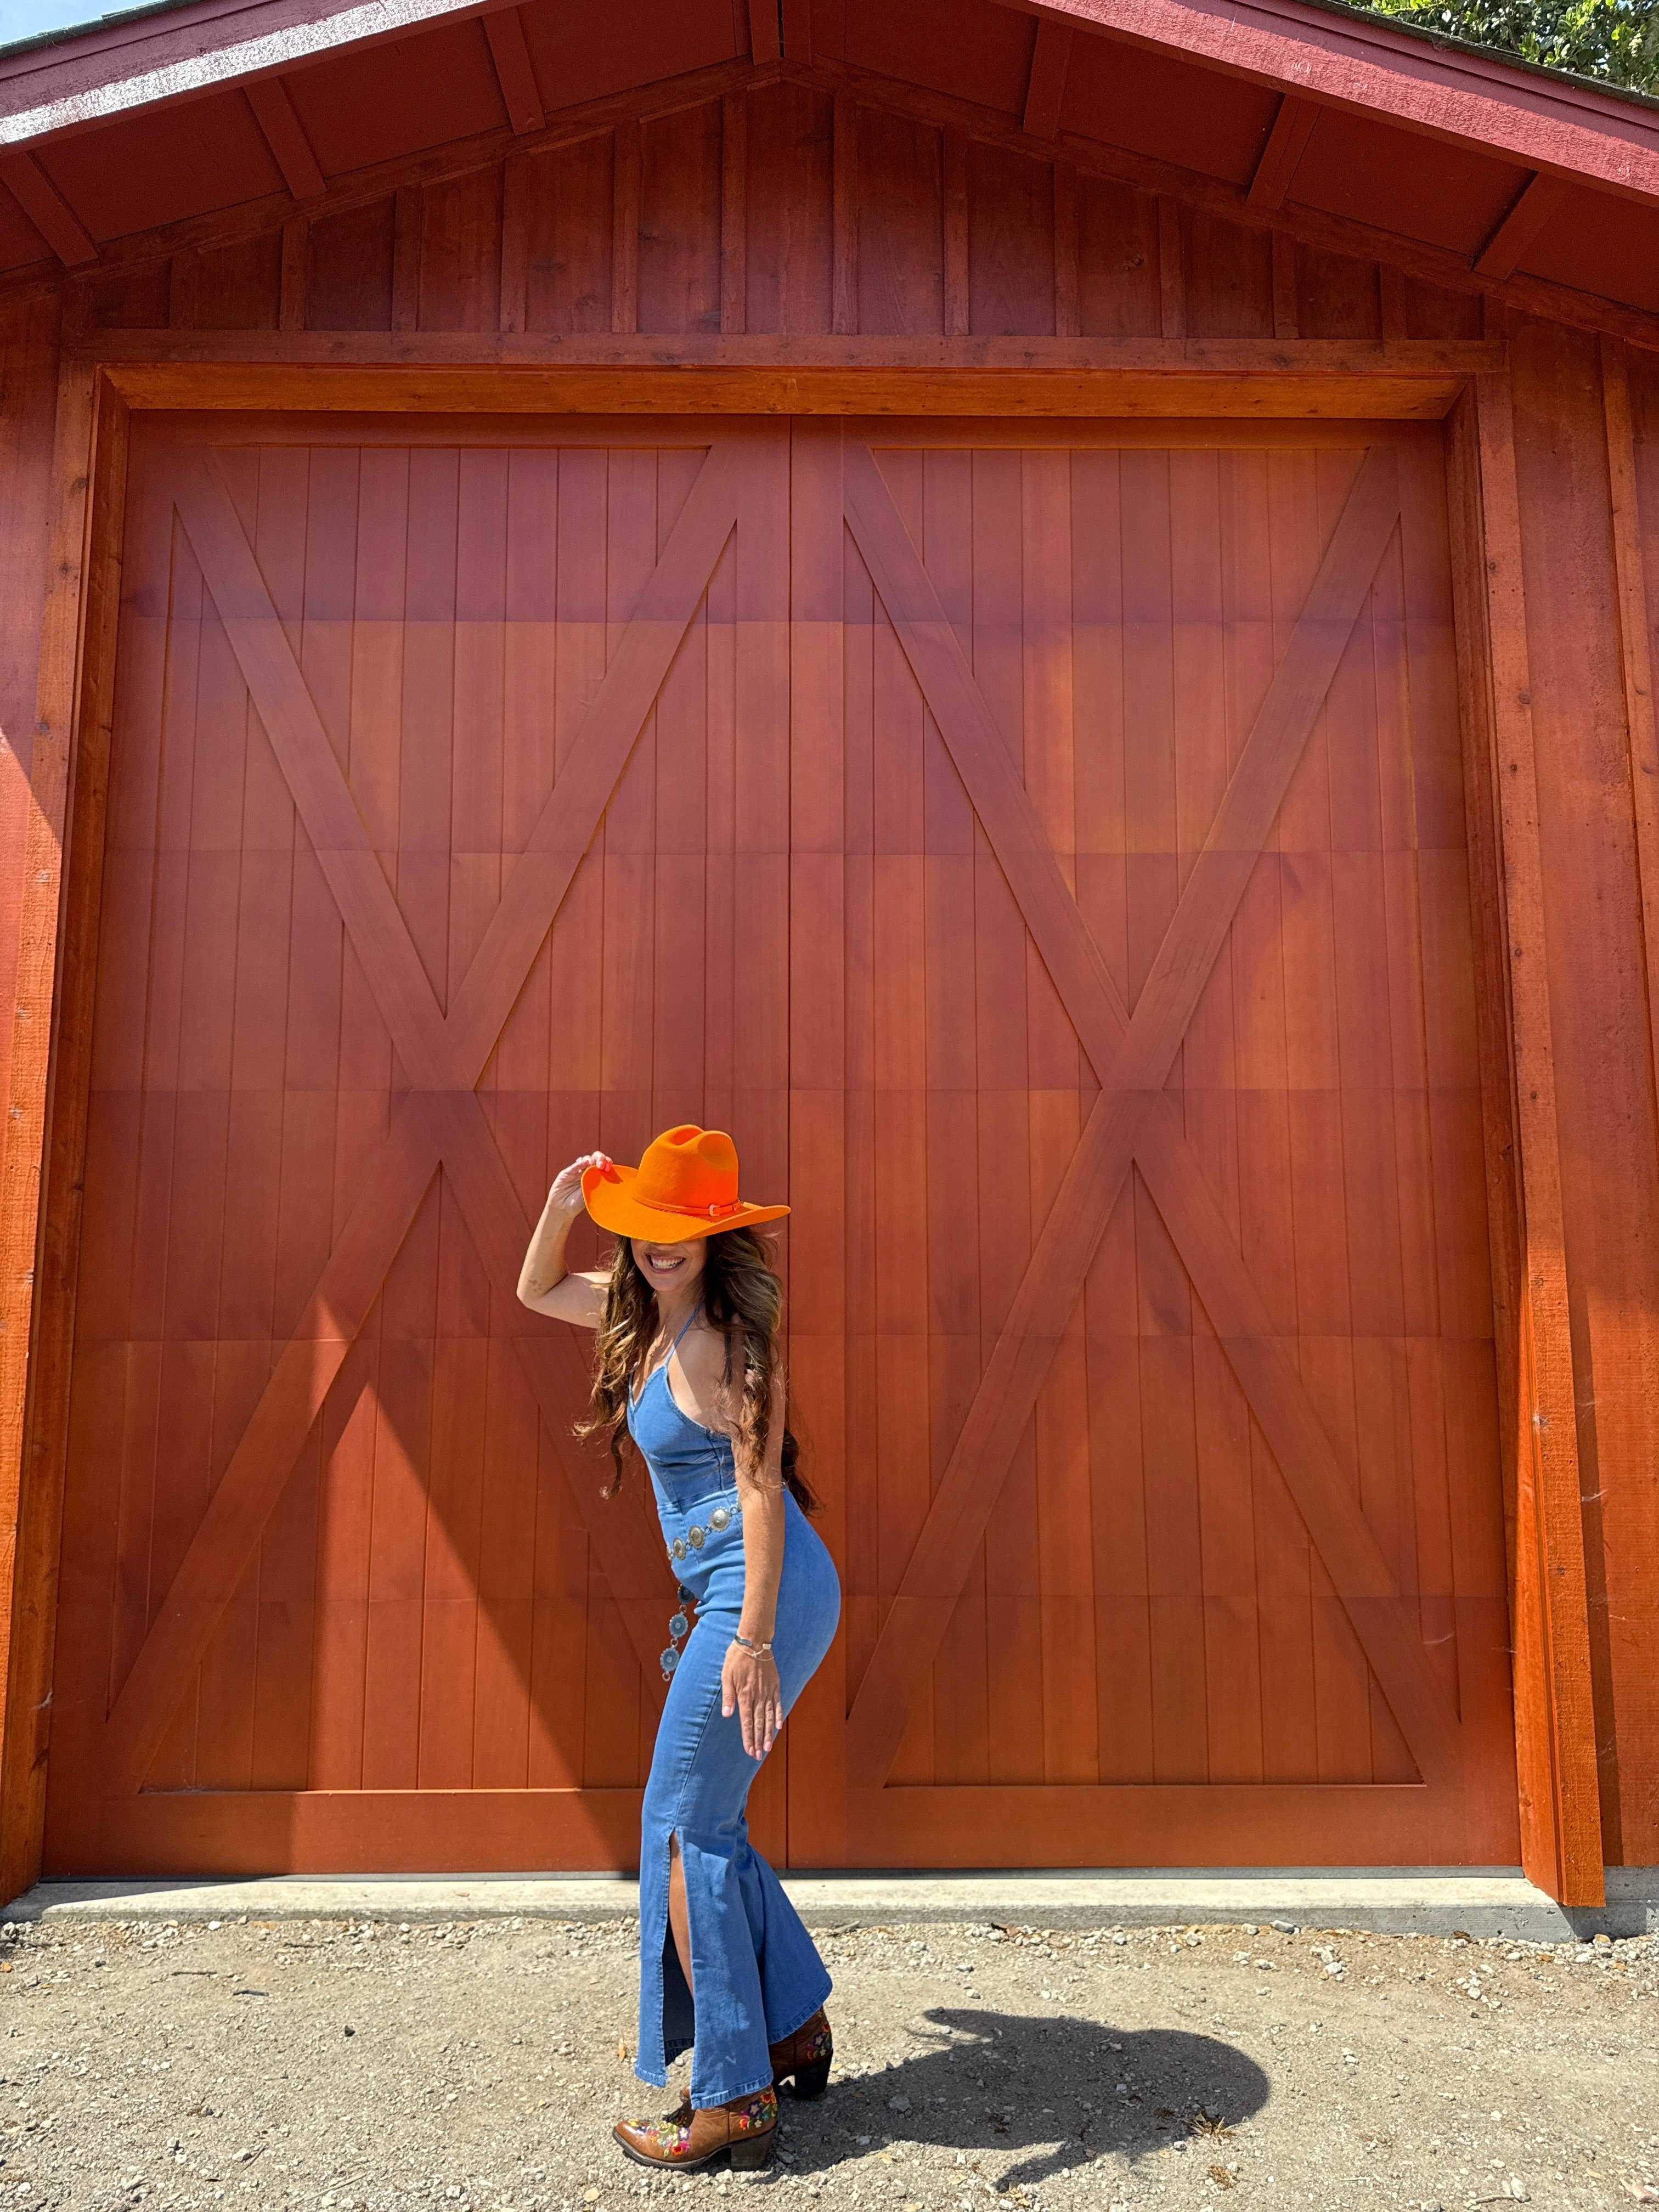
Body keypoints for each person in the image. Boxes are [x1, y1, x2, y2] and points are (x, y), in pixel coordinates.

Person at [517, 1124, 842, 2174]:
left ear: (716, 1242)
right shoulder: (641, 1325)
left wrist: (749, 1641)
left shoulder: (732, 1342)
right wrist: (565, 1205)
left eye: (685, 1234)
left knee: (679, 1825)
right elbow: (533, 1291)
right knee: (707, 1814)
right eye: (650, 1230)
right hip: (732, 1591)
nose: (665, 1249)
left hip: (762, 1591)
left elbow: (756, 1490)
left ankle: (735, 2093)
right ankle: (791, 2024)